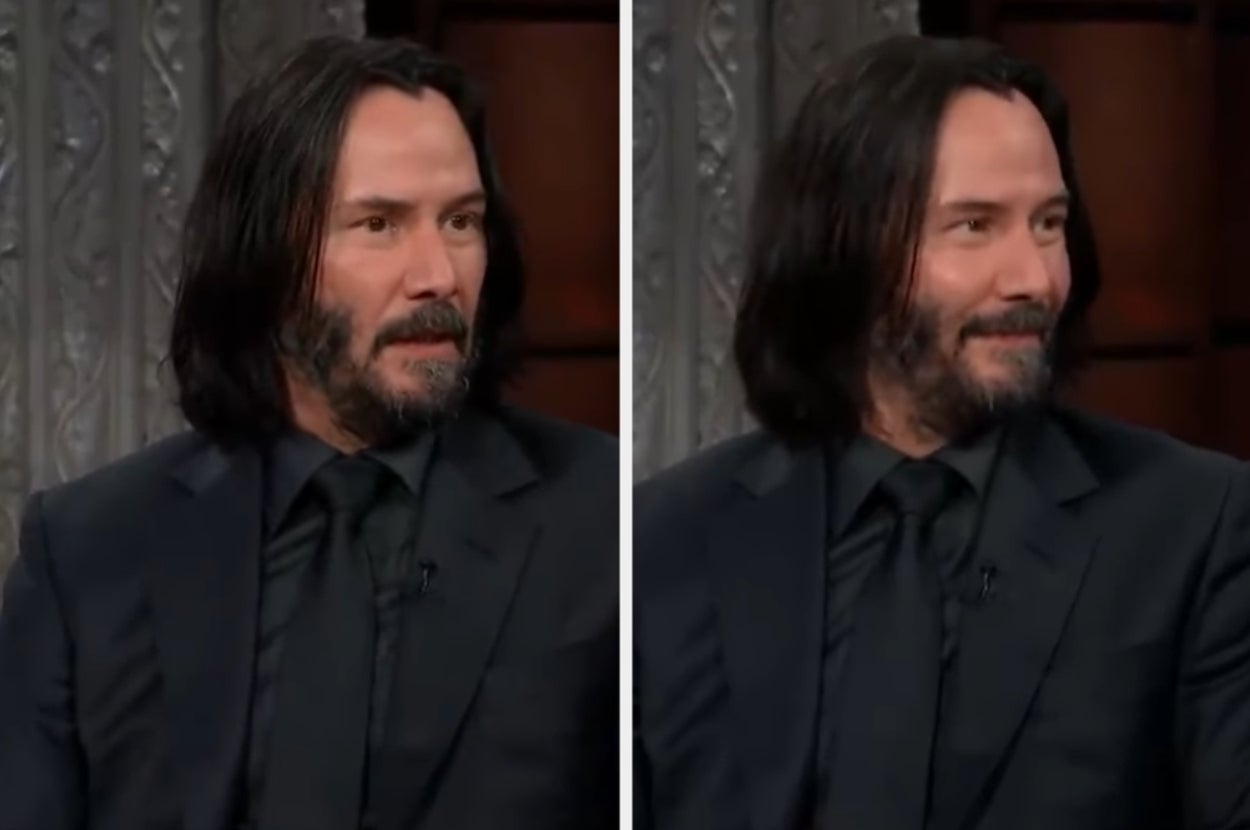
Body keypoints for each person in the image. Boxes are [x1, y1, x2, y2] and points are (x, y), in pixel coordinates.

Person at [0, 36, 617, 830]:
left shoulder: (604, 521)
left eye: (462, 221)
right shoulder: (89, 552)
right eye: (379, 224)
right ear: (267, 257)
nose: (438, 274)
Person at [634, 35, 1250, 830]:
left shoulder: (1195, 531)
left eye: (1050, 223)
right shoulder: (666, 543)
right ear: (845, 248)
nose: (1035, 278)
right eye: (974, 226)